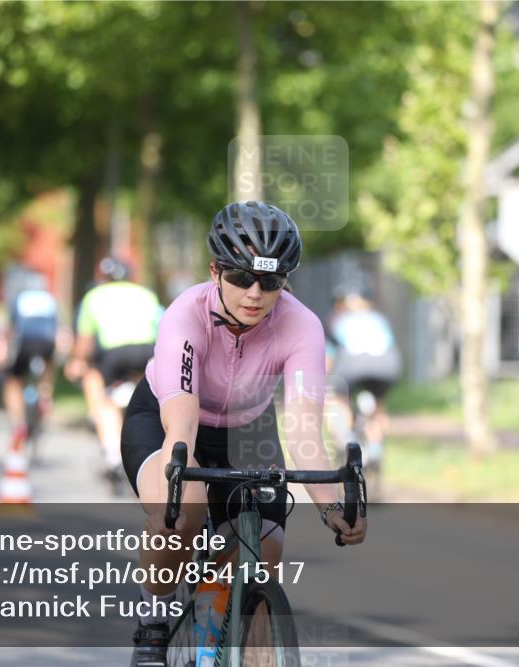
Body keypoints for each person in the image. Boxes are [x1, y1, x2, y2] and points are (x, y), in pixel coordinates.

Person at [121, 201, 367, 665]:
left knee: (262, 556)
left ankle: (222, 635)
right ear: (215, 271)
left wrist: (334, 505)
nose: (255, 293)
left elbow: (303, 431)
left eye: (271, 282)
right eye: (240, 278)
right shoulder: (185, 314)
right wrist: (183, 481)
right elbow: (181, 424)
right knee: (183, 516)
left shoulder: (302, 326)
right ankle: (153, 620)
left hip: (247, 430)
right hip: (168, 420)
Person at [65, 257, 164, 484]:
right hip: (147, 351)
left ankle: (111, 454)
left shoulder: (93, 296)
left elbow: (84, 342)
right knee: (145, 394)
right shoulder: (146, 294)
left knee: (97, 387)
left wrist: (77, 361)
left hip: (114, 354)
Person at [325, 285, 402, 465]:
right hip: (387, 365)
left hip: (353, 364)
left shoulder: (338, 319)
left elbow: (328, 356)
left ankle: (345, 438)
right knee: (379, 403)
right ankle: (375, 448)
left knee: (336, 399)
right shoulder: (379, 318)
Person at [0, 271, 59, 452]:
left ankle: (18, 424)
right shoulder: (50, 301)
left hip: (25, 344)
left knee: (12, 380)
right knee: (49, 365)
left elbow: (11, 329)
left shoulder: (20, 299)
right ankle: (45, 395)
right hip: (46, 343)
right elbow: (56, 328)